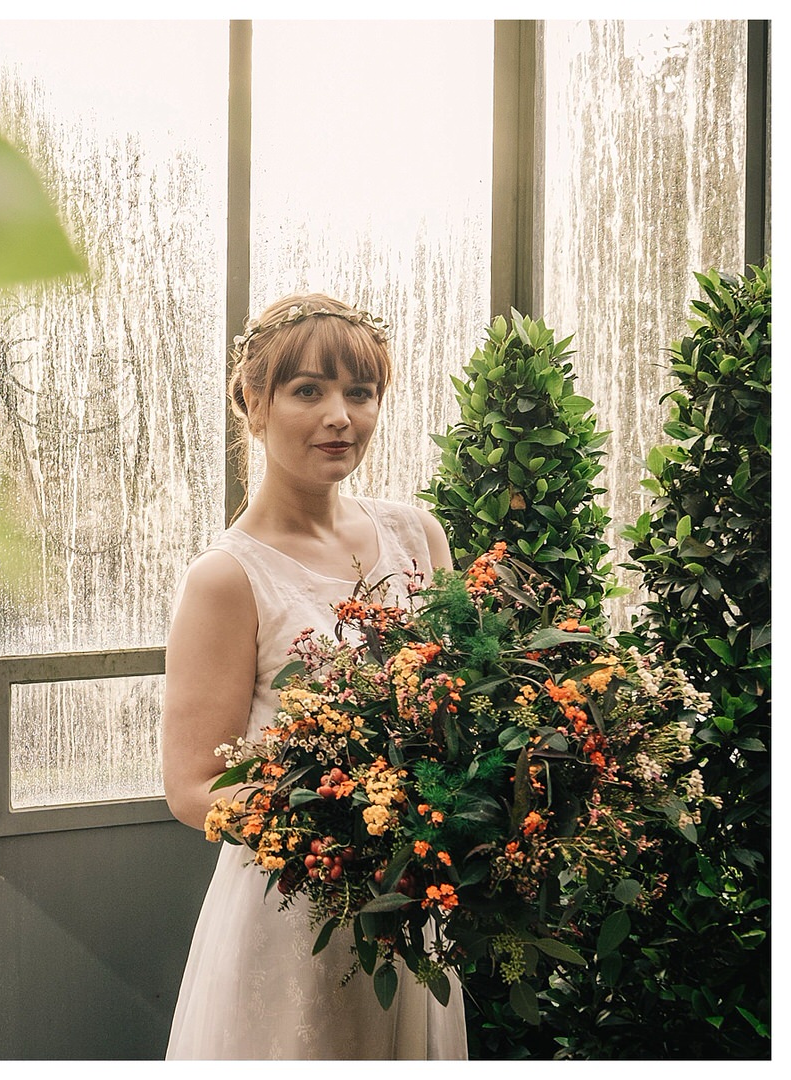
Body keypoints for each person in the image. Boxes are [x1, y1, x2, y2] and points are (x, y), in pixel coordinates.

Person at [161, 292, 468, 1059]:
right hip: (295, 909)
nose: (341, 415)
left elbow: (458, 705)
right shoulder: (227, 578)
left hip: (413, 900)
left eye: (359, 393)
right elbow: (193, 786)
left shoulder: (418, 534)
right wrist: (339, 826)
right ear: (253, 403)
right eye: (309, 390)